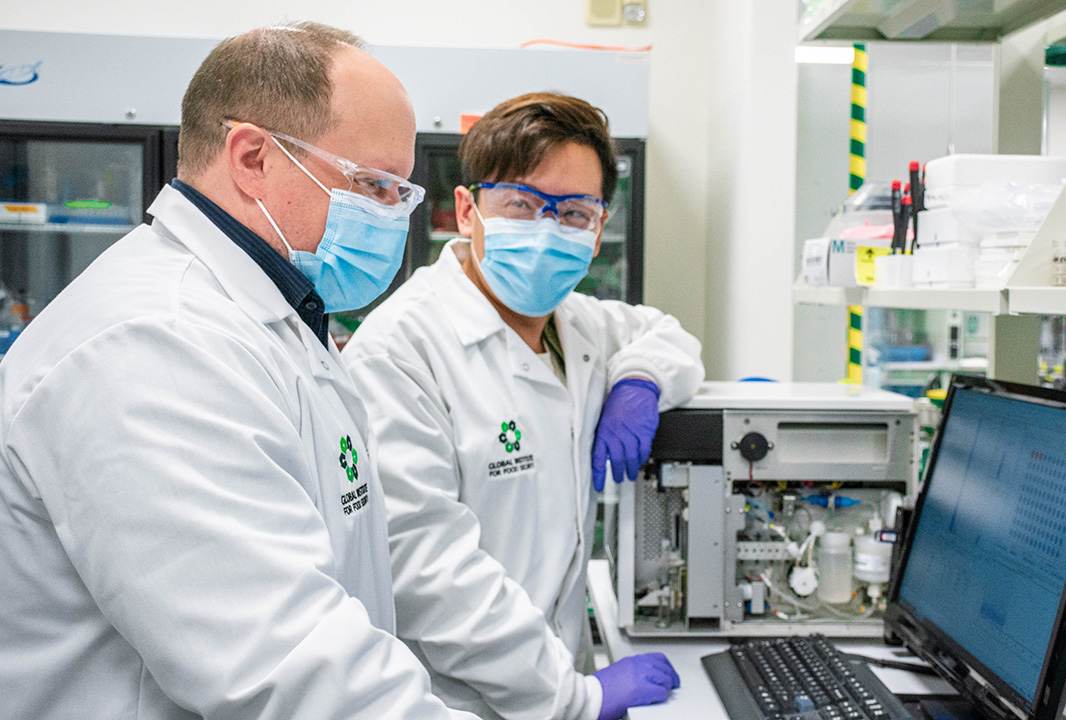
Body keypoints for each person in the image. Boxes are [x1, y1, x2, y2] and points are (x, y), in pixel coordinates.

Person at [0, 22, 479, 719]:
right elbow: (287, 666)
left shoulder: (266, 319)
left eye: (399, 192)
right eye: (374, 185)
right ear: (252, 157)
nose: (392, 219)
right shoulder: (155, 345)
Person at [342, 92, 705, 720]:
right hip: (455, 701)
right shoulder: (401, 350)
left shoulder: (579, 324)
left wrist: (640, 379)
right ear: (466, 210)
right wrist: (574, 699)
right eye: (522, 204)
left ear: (598, 232)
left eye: (574, 213)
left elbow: (669, 336)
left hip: (561, 674)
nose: (548, 229)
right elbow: (429, 571)